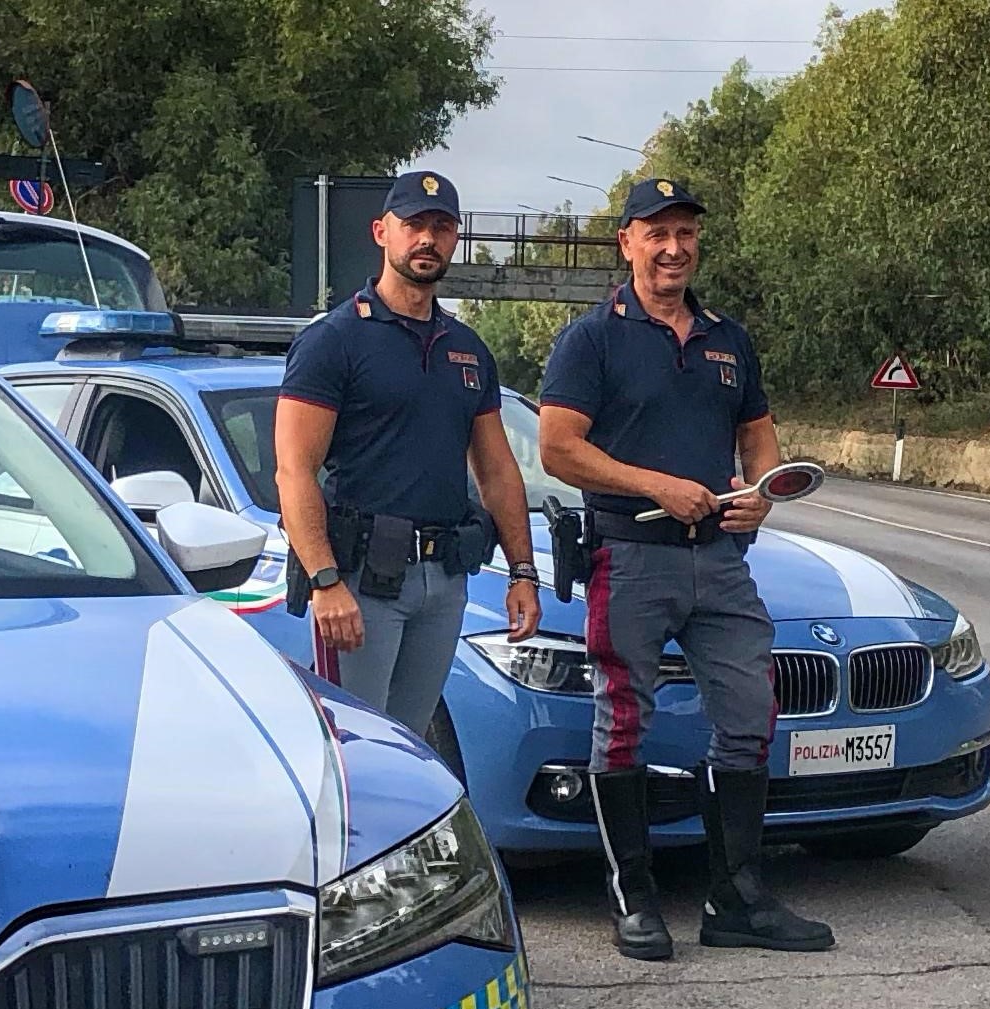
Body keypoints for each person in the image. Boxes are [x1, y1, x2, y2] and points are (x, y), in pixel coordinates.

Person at [538, 178, 834, 961]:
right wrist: (653, 482)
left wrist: (760, 494)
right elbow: (557, 447)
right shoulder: (590, 338)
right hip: (629, 552)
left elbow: (758, 436)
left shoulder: (726, 337)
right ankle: (632, 896)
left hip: (720, 558)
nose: (673, 247)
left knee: (749, 710)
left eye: (685, 232)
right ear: (625, 242)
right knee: (624, 718)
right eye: (656, 232)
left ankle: (733, 897)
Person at [274, 170, 542, 738]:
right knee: (355, 746)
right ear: (381, 232)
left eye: (441, 227)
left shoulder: (466, 349)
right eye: (413, 225)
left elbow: (496, 472)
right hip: (361, 582)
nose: (427, 238)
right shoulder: (335, 340)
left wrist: (523, 572)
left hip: (442, 582)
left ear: (455, 238)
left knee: (412, 748)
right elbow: (293, 469)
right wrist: (325, 581)